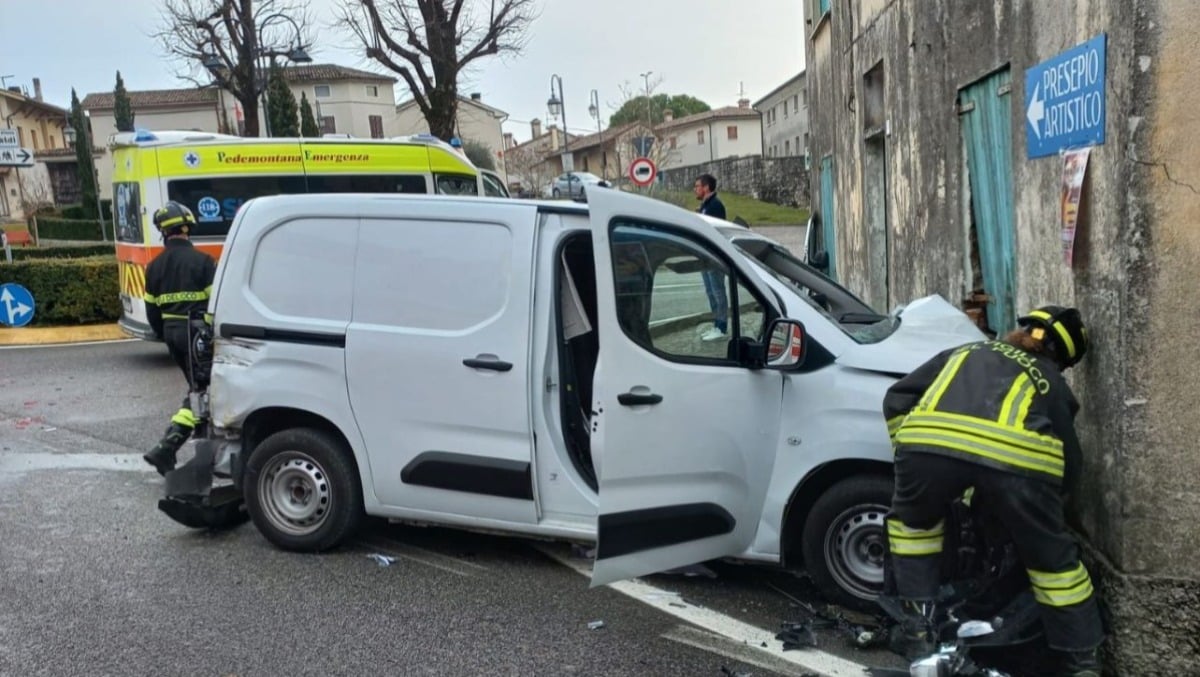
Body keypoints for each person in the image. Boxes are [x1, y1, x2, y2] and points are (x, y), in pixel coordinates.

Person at [881, 305, 1104, 676]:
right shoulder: (1052, 381)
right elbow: (1068, 460)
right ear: (1061, 357)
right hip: (1018, 466)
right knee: (1055, 566)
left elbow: (897, 398)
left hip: (927, 447)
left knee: (913, 529)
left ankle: (917, 629)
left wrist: (911, 461)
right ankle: (1083, 661)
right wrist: (1048, 517)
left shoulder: (967, 351)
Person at [141, 201, 218, 476]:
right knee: (203, 391)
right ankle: (167, 447)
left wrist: (165, 335)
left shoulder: (153, 266)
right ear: (188, 229)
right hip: (198, 336)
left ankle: (193, 446)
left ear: (164, 232)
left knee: (199, 390)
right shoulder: (204, 261)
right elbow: (217, 303)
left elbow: (152, 311)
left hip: (172, 334)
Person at [694, 173, 729, 341]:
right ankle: (717, 324)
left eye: (697, 186)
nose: (696, 189)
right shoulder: (705, 205)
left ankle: (721, 327)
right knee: (710, 291)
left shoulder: (714, 206)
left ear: (706, 187)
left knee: (717, 291)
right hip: (704, 255)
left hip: (713, 256)